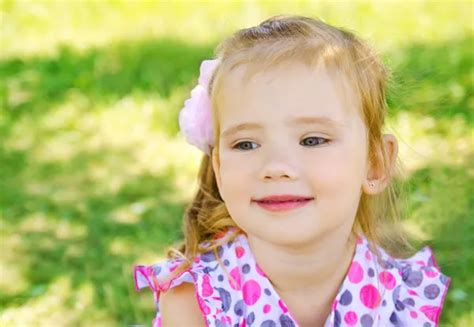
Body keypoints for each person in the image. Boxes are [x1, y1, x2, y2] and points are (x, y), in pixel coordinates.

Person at [133, 15, 451, 327]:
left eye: (312, 140)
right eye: (245, 144)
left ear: (375, 162)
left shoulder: (400, 298)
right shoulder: (196, 301)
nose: (276, 168)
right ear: (219, 168)